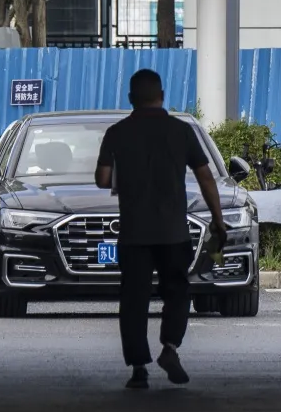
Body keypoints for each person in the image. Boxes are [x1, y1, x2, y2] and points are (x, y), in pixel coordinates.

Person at [96, 68, 227, 390]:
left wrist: (124, 178)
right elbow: (205, 176)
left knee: (134, 299)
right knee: (178, 292)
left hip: (134, 233)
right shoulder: (181, 131)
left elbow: (101, 179)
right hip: (172, 231)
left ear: (131, 99)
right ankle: (170, 347)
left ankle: (138, 368)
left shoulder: (117, 132)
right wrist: (218, 218)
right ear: (162, 96)